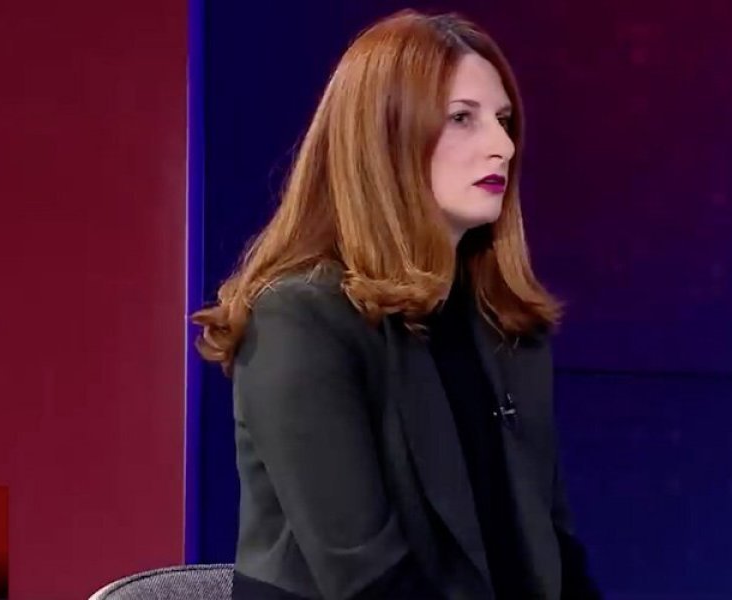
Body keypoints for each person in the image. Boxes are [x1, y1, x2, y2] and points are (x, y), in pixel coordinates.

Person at [192, 9, 601, 600]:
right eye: (462, 118)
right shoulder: (299, 320)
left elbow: (553, 553)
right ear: (384, 137)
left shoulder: (506, 323)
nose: (503, 146)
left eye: (503, 120)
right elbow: (370, 582)